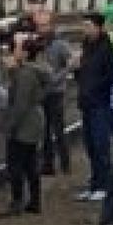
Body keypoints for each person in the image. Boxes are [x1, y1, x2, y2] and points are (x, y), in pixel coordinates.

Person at [75, 12, 113, 201]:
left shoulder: (106, 48)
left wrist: (96, 87)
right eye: (84, 26)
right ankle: (95, 182)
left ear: (98, 27)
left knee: (101, 144)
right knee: (90, 145)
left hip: (100, 103)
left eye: (88, 26)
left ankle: (105, 184)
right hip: (86, 103)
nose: (85, 30)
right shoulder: (86, 47)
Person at [1, 36, 49, 216]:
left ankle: (17, 201)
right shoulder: (34, 71)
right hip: (33, 121)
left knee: (16, 164)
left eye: (17, 49)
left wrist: (10, 126)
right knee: (30, 164)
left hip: (24, 125)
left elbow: (20, 103)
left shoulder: (26, 74)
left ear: (26, 53)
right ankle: (34, 201)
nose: (14, 52)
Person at [37, 11, 73, 175]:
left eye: (44, 25)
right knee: (44, 131)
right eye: (39, 26)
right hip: (41, 91)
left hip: (56, 92)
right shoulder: (37, 43)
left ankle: (65, 163)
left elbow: (70, 63)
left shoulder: (60, 44)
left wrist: (58, 78)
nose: (41, 29)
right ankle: (48, 164)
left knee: (58, 129)